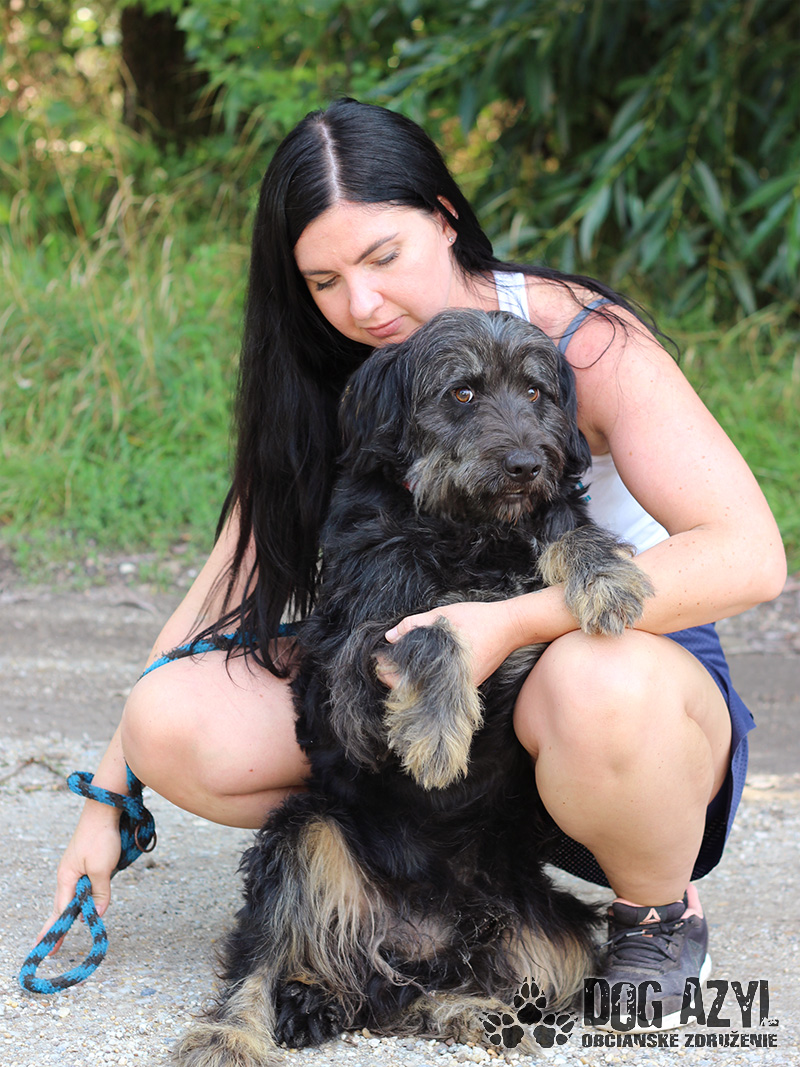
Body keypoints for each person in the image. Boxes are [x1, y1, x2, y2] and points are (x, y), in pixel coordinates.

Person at [38, 98, 785, 1028]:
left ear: (443, 217)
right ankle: (402, 883)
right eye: (324, 279)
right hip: (437, 717)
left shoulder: (578, 339)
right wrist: (109, 794)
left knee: (598, 686)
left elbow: (751, 556)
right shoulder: (337, 365)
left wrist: (507, 624)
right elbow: (226, 585)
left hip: (610, 690)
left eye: (383, 255)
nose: (361, 303)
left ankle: (655, 907)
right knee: (171, 716)